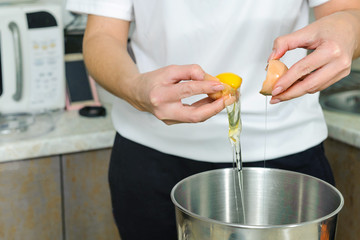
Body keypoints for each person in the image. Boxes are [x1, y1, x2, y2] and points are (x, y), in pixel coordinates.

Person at [66, 0, 360, 239]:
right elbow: (100, 36)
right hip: (150, 160)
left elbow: (347, 11)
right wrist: (135, 88)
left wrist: (349, 26)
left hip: (285, 162)